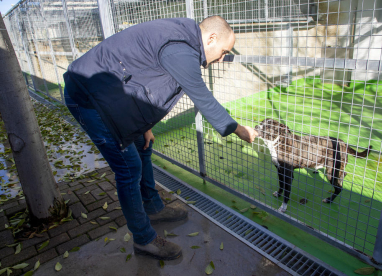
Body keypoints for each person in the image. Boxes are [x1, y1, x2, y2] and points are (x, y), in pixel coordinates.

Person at [63, 15, 258, 261]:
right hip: (90, 99)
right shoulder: (180, 48)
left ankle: (153, 208)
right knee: (128, 169)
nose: (221, 59)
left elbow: (143, 79)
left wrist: (143, 125)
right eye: (223, 52)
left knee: (144, 145)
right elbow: (202, 97)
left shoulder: (181, 36)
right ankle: (144, 240)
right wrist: (239, 129)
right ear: (211, 38)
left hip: (111, 96)